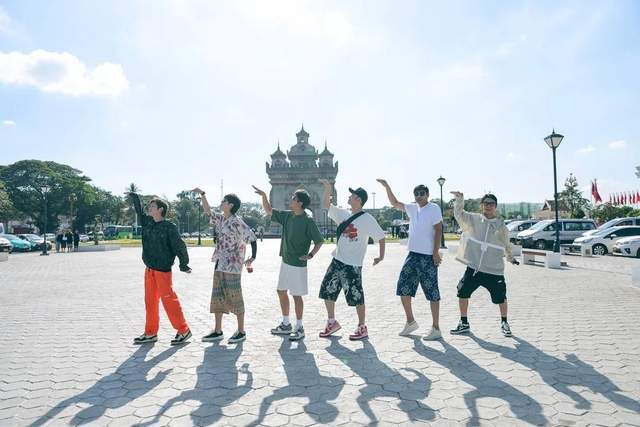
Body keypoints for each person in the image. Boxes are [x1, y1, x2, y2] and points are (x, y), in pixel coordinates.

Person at [253, 185, 324, 341]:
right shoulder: (287, 216)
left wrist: (310, 255)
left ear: (300, 203)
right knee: (281, 291)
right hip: (285, 261)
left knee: (296, 296)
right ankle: (286, 324)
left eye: (293, 198)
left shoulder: (308, 221)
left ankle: (299, 327)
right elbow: (269, 210)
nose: (290, 200)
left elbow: (319, 241)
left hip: (297, 264)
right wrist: (264, 195)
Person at [317, 179, 385, 341]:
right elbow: (326, 204)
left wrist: (381, 256)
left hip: (353, 264)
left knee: (356, 296)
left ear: (358, 199)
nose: (349, 197)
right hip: (337, 260)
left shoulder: (367, 219)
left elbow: (381, 237)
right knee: (327, 290)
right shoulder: (343, 214)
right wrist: (328, 188)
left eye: (352, 195)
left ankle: (362, 327)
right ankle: (332, 322)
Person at [377, 179, 443, 340]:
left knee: (432, 292)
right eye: (416, 194)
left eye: (422, 193)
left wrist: (436, 252)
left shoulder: (433, 208)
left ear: (427, 195)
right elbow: (395, 203)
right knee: (403, 287)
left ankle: (436, 328)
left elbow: (438, 230)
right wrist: (387, 187)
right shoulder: (412, 208)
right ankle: (410, 321)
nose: (419, 196)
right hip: (412, 255)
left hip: (427, 256)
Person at [449, 191, 519, 337]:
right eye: (486, 203)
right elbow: (459, 214)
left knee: (501, 297)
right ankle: (464, 323)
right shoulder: (474, 219)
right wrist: (459, 199)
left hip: (494, 270)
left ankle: (504, 322)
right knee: (462, 292)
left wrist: (510, 258)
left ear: (495, 206)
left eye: (491, 204)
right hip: (474, 267)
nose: (488, 206)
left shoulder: (501, 226)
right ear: (482, 205)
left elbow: (506, 244)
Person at [192, 188, 257, 345]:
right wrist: (203, 194)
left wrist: (253, 257)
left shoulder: (237, 222)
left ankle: (241, 331)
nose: (221, 203)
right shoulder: (221, 219)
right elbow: (208, 211)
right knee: (217, 295)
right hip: (220, 263)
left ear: (231, 205)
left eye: (224, 201)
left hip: (233, 264)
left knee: (235, 295)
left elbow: (252, 238)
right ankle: (218, 330)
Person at [129, 192, 192, 345]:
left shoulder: (169, 227)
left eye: (152, 206)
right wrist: (136, 199)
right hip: (149, 270)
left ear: (160, 210)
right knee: (150, 302)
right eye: (149, 206)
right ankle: (150, 332)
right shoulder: (148, 223)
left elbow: (179, 246)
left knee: (169, 301)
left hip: (163, 271)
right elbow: (139, 212)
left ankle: (183, 330)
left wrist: (183, 264)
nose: (149, 208)